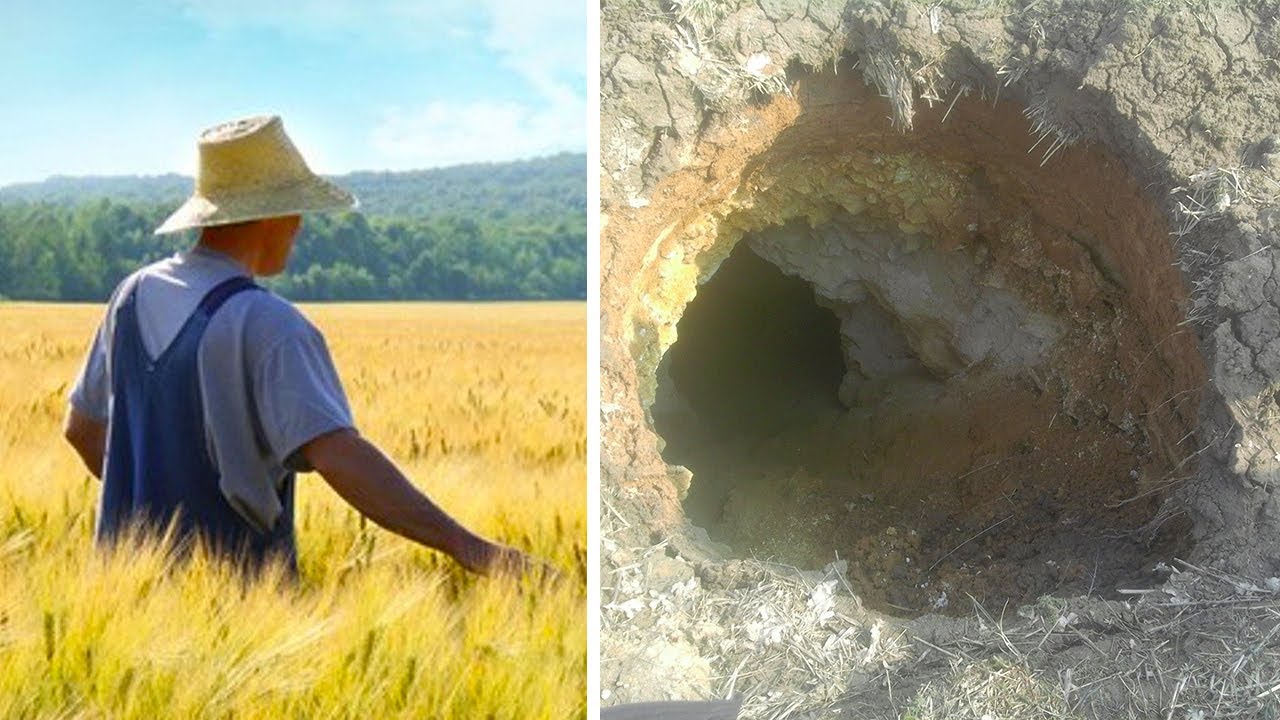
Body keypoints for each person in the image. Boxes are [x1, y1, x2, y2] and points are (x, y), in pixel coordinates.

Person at [62, 114, 534, 577]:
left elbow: (81, 429)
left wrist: (155, 512)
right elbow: (340, 457)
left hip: (123, 583)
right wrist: (468, 547)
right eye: (298, 211)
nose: (301, 227)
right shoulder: (268, 323)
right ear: (276, 216)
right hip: (239, 608)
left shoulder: (132, 293)